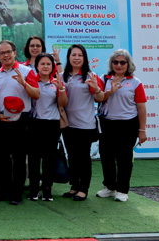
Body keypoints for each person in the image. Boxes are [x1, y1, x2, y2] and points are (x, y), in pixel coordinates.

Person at [0, 40, 39, 205]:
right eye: (2, 53)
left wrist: (24, 83)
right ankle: (2, 191)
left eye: (8, 51)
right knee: (1, 158)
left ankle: (17, 193)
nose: (6, 55)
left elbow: (36, 94)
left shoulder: (26, 71)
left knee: (19, 157)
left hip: (21, 119)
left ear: (14, 53)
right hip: (2, 119)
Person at [96, 50, 147, 202]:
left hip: (128, 125)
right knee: (106, 157)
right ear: (111, 64)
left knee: (124, 159)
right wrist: (109, 91)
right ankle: (109, 187)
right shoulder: (104, 79)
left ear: (128, 64)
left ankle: (122, 190)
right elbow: (98, 98)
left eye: (122, 62)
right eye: (115, 62)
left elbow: (141, 107)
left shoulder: (135, 82)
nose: (118, 65)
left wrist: (142, 130)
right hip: (107, 123)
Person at [61, 44, 105, 202]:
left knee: (83, 158)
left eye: (80, 55)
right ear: (69, 57)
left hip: (85, 124)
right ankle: (74, 186)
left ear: (85, 58)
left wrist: (96, 88)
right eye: (73, 55)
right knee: (72, 156)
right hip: (67, 124)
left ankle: (83, 189)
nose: (77, 58)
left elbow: (99, 98)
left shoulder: (91, 76)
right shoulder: (63, 76)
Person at [23, 53, 67, 202]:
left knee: (49, 158)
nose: (45, 66)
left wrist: (61, 89)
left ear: (52, 66)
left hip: (52, 124)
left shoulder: (56, 81)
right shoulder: (31, 80)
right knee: (34, 158)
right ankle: (34, 189)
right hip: (34, 123)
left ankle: (47, 189)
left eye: (48, 64)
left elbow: (63, 103)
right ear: (37, 66)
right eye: (42, 64)